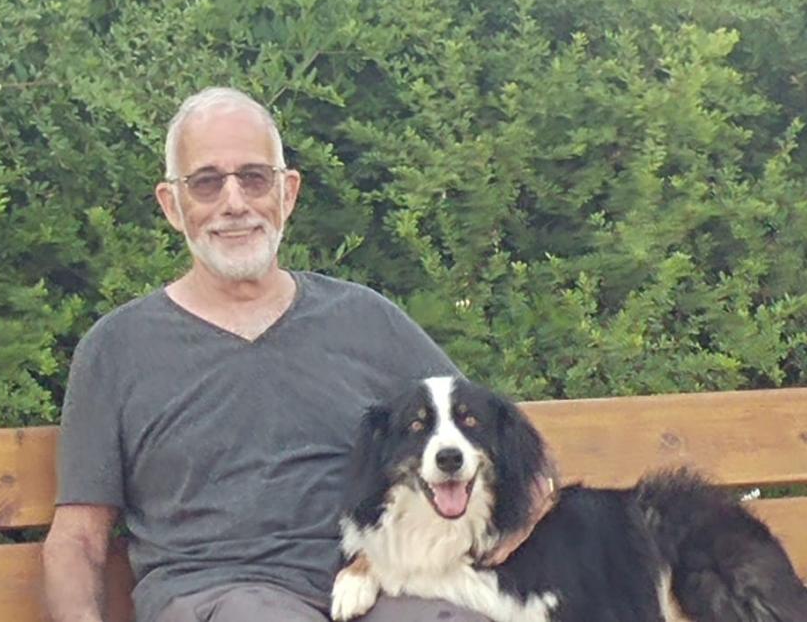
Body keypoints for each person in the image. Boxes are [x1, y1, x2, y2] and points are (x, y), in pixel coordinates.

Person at [42, 87, 543, 622]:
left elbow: (501, 449)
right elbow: (78, 539)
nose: (234, 202)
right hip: (218, 597)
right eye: (206, 182)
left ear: (288, 193)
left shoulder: (364, 319)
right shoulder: (117, 348)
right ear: (171, 204)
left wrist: (507, 532)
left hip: (373, 585)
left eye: (254, 177)